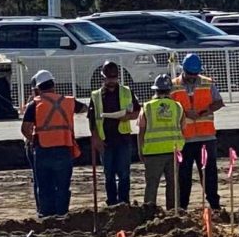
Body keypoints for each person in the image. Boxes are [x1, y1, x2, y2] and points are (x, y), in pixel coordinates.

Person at [19, 70, 82, 217]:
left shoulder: (34, 104)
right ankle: (62, 215)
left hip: (43, 150)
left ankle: (46, 217)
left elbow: (25, 128)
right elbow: (86, 108)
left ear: (38, 88)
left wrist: (34, 140)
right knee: (62, 186)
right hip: (64, 149)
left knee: (44, 186)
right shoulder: (68, 101)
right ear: (54, 85)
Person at [84, 60, 139, 209]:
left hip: (123, 140)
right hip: (105, 141)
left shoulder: (127, 92)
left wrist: (127, 116)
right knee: (108, 175)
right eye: (109, 78)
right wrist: (96, 139)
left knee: (124, 174)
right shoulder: (96, 96)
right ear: (103, 77)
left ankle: (124, 202)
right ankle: (112, 203)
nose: (111, 81)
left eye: (114, 78)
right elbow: (92, 120)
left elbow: (137, 112)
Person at [175, 52, 221, 210]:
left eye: (195, 74)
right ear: (183, 70)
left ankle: (214, 204)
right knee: (184, 175)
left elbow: (218, 102)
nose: (193, 77)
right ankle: (182, 206)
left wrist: (206, 110)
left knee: (209, 174)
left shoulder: (207, 83)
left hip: (206, 137)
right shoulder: (174, 85)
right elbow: (171, 108)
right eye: (190, 74)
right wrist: (184, 113)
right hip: (185, 139)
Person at [136, 73, 185, 211]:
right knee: (173, 185)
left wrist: (140, 150)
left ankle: (149, 212)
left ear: (155, 90)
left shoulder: (147, 107)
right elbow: (182, 128)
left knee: (151, 184)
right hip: (173, 151)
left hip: (152, 152)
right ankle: (173, 213)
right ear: (170, 90)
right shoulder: (177, 107)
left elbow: (141, 131)